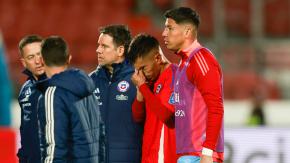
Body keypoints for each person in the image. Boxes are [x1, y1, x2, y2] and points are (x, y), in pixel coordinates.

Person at [162, 7, 224, 163]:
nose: (164, 33)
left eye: (170, 28)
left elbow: (215, 107)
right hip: (188, 153)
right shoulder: (184, 63)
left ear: (187, 31)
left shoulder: (201, 59)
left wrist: (208, 152)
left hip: (199, 155)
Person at [36, 36, 101, 162]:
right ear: (69, 58)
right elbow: (100, 136)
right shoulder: (89, 90)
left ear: (41, 60)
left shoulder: (53, 93)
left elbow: (55, 146)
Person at [89, 25, 143, 162]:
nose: (98, 50)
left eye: (104, 46)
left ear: (120, 50)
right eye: (98, 45)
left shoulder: (138, 80)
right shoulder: (90, 81)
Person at [127, 34, 177, 163]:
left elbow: (167, 116)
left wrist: (143, 87)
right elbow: (137, 116)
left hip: (165, 157)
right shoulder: (149, 81)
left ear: (158, 58)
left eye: (143, 68)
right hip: (149, 157)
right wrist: (140, 90)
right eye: (137, 70)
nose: (141, 75)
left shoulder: (175, 77)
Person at [17, 35, 45, 163]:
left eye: (40, 54)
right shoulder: (25, 90)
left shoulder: (62, 85)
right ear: (24, 62)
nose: (37, 61)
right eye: (31, 57)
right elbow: (24, 129)